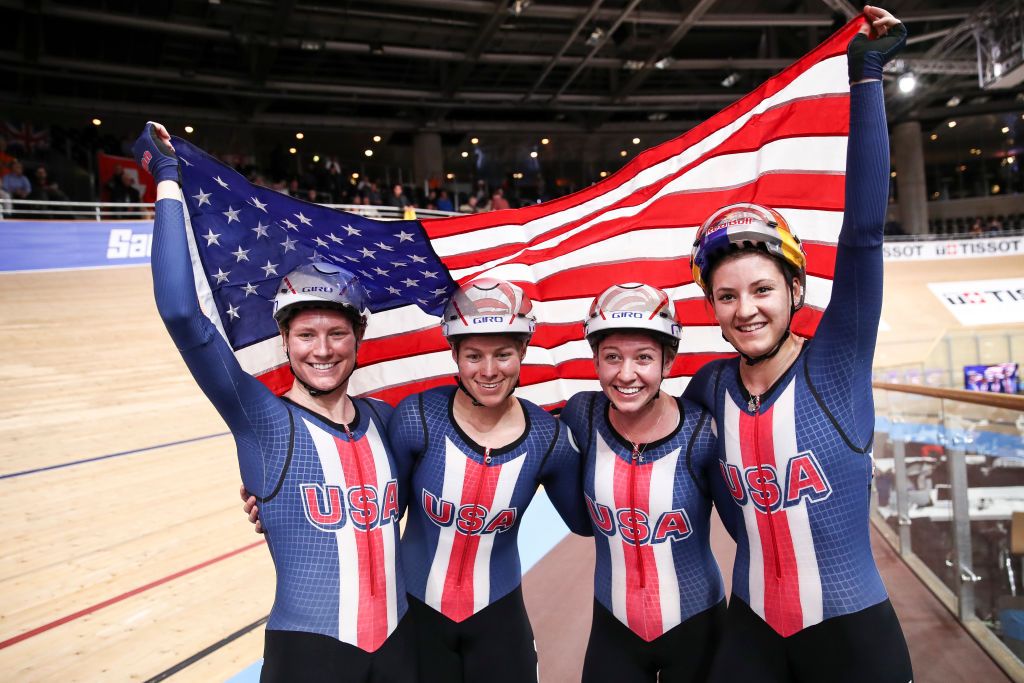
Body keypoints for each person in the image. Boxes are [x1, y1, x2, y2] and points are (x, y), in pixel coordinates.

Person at [134, 122, 416, 683]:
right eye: (306, 335)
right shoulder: (261, 418)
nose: (323, 350)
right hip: (309, 654)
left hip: (401, 646)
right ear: (284, 341)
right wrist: (168, 179)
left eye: (337, 334)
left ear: (358, 340)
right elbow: (182, 315)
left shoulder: (386, 421)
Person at [683, 7, 913, 681]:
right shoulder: (708, 391)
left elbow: (864, 230)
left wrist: (868, 77)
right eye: (727, 296)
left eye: (761, 290)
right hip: (751, 633)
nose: (745, 309)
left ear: (794, 291)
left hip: (853, 634)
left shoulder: (836, 358)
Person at [388, 278, 591, 682]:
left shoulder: (547, 438)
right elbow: (374, 512)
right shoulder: (417, 419)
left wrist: (599, 432)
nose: (489, 370)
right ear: (454, 354)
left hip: (498, 620)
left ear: (523, 351)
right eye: (474, 356)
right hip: (417, 616)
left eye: (503, 354)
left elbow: (587, 523)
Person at [560, 283, 726, 683]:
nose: (626, 374)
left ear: (668, 362)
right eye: (612, 357)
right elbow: (581, 523)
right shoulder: (581, 415)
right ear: (596, 360)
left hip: (697, 624)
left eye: (644, 358)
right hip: (613, 627)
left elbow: (748, 527)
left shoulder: (702, 430)